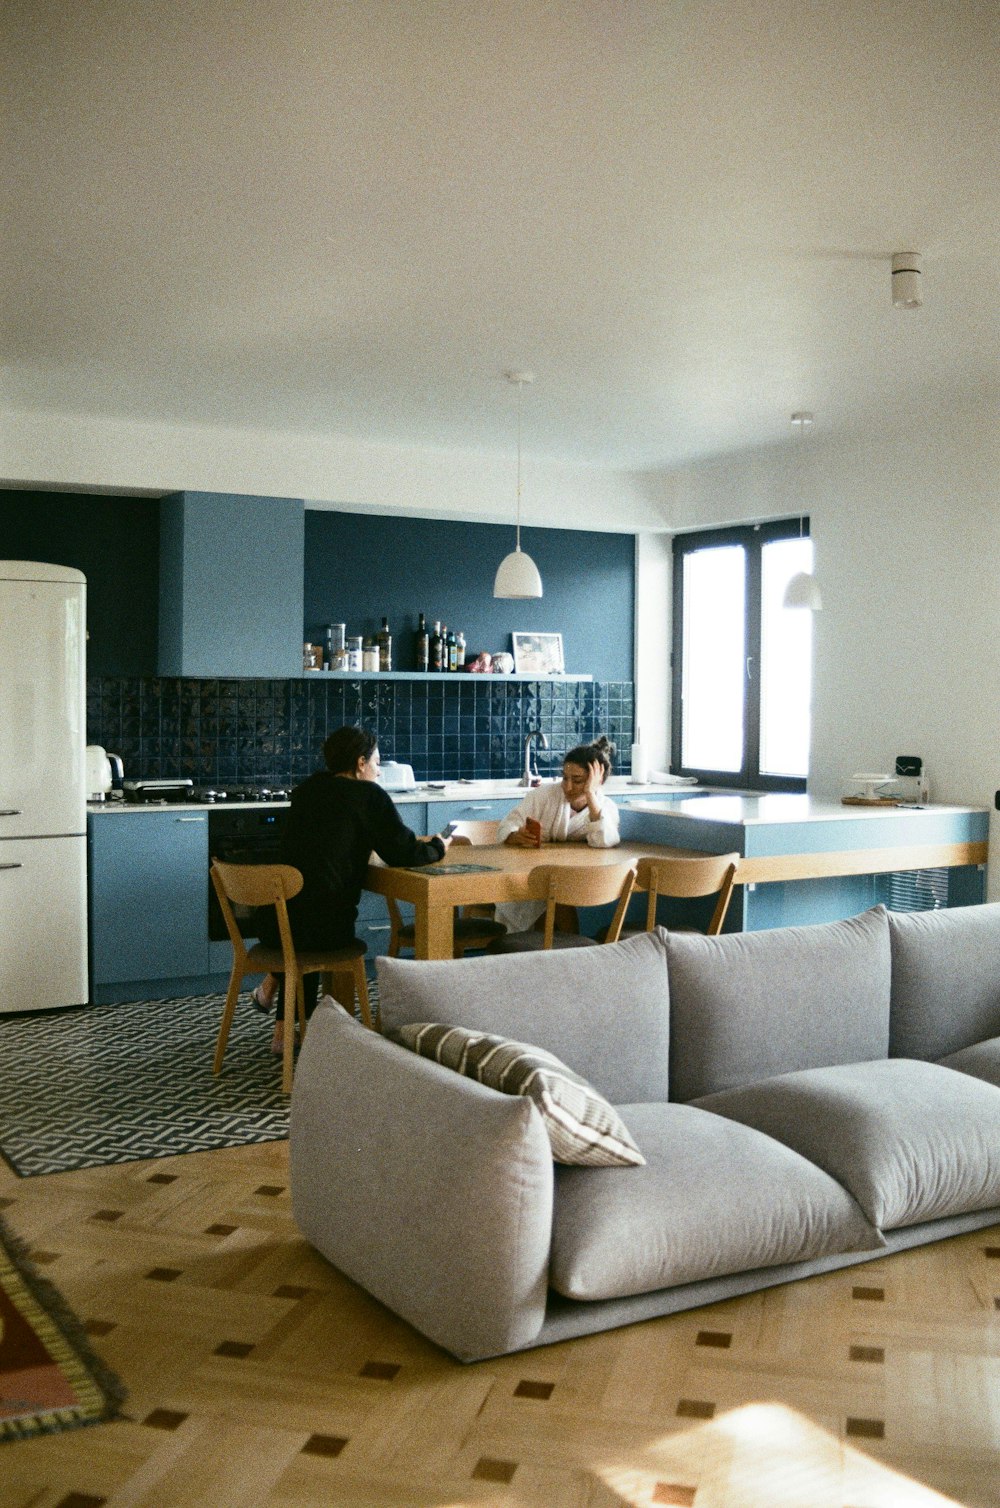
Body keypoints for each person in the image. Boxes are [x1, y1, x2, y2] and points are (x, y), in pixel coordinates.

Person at [257, 725, 450, 1053]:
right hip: (326, 932)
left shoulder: (309, 789)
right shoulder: (368, 795)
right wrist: (438, 846)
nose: (378, 769)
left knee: (304, 910)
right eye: (376, 761)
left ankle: (281, 1028)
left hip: (272, 924)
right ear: (360, 763)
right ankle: (283, 1016)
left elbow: (325, 844)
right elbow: (403, 852)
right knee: (318, 914)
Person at [494, 735, 620, 934]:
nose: (567, 786)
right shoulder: (544, 796)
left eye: (577, 780)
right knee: (556, 899)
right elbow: (507, 826)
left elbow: (605, 841)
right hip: (529, 874)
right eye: (565, 778)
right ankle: (549, 954)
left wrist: (590, 794)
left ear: (597, 781)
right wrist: (514, 836)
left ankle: (560, 955)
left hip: (571, 877)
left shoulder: (606, 807)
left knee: (561, 896)